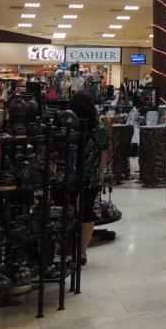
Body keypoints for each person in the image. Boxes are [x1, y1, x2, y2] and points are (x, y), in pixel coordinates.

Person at [70, 92, 109, 266]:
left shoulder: (69, 125)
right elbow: (104, 151)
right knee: (87, 212)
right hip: (90, 176)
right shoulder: (98, 127)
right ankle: (82, 251)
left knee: (68, 210)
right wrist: (101, 173)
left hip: (68, 175)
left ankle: (68, 249)